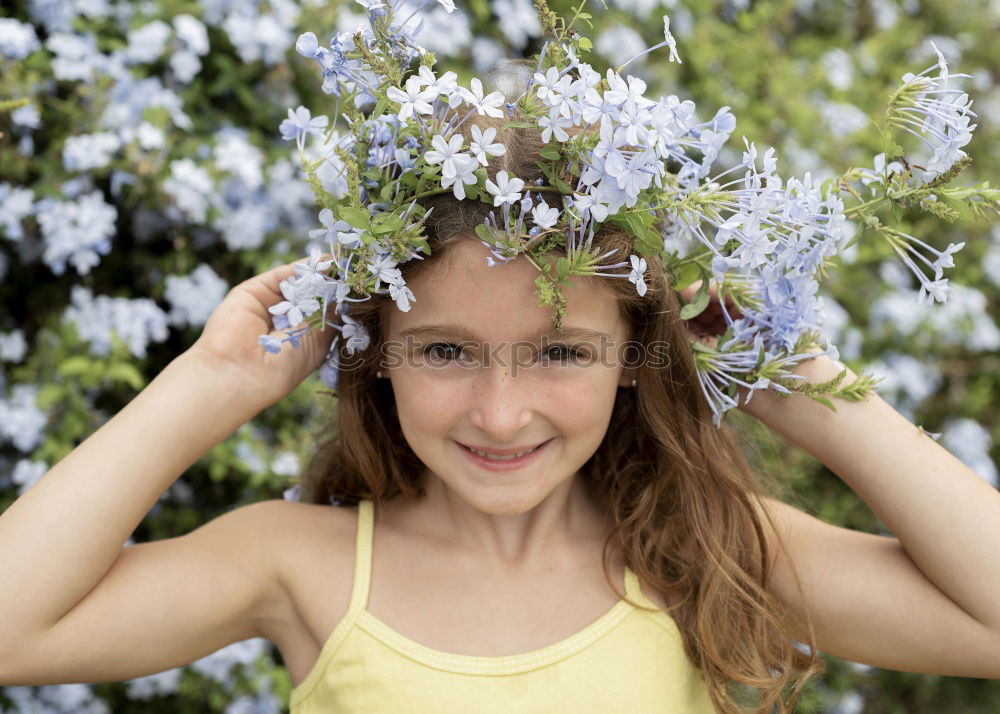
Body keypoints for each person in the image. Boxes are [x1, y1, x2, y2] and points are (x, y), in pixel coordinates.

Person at [1, 115, 999, 714]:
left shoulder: (714, 553)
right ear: (377, 353)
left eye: (560, 351)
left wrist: (798, 387)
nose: (502, 411)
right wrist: (212, 382)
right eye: (445, 351)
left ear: (632, 360)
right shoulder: (297, 564)